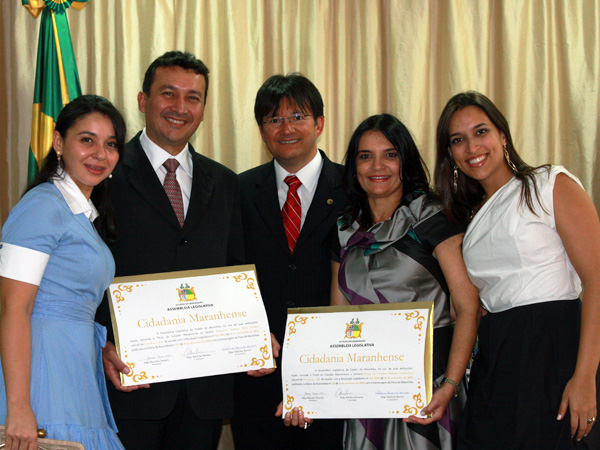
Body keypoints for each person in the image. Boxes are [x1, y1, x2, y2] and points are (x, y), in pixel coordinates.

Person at [95, 51, 244, 450]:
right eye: (168, 94)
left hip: (204, 392)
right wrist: (100, 342)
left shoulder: (227, 183)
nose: (180, 108)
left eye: (193, 97)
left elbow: (237, 273)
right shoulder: (102, 174)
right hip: (129, 381)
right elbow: (81, 274)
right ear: (143, 101)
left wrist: (251, 339)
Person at [434, 91, 600, 449]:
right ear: (450, 154)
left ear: (502, 135)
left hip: (555, 346)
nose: (471, 147)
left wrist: (586, 375)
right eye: (458, 140)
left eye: (481, 132)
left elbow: (597, 279)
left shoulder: (548, 183)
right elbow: (473, 304)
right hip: (497, 355)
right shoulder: (470, 217)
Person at [329, 113, 480, 450]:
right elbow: (335, 321)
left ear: (405, 161)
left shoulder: (434, 218)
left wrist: (451, 385)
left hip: (430, 387)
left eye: (390, 154)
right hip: (365, 389)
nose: (377, 166)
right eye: (365, 156)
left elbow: (468, 307)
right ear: (353, 166)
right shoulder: (343, 230)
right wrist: (311, 390)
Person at [0, 95, 126, 450]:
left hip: (76, 374)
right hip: (43, 380)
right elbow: (13, 308)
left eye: (111, 144)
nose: (100, 154)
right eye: (87, 140)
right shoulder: (42, 206)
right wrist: (20, 407)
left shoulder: (80, 213)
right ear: (59, 142)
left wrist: (101, 348)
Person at [231, 73, 347, 450]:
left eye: (297, 116)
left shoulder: (354, 189)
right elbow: (228, 273)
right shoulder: (238, 191)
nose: (286, 128)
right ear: (262, 130)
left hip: (337, 381)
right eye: (274, 119)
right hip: (256, 383)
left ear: (319, 124)